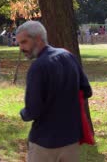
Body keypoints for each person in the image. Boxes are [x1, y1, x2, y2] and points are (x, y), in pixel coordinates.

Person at [15, 21, 93, 162]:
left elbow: (33, 110)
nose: (21, 48)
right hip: (71, 139)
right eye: (19, 44)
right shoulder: (68, 56)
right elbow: (87, 91)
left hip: (45, 142)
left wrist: (23, 113)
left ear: (38, 38)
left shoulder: (38, 67)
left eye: (24, 42)